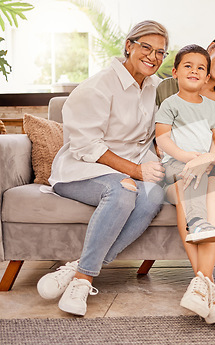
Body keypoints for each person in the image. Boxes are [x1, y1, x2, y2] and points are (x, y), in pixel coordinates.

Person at [36, 20, 169, 316]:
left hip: (131, 167)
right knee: (122, 192)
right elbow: (87, 147)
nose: (153, 56)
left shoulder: (156, 87)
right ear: (128, 46)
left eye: (160, 52)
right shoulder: (98, 86)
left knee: (154, 198)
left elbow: (187, 96)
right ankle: (83, 281)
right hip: (81, 169)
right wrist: (134, 172)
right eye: (145, 47)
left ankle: (75, 267)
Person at [155, 31, 215, 323]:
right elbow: (161, 137)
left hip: (207, 172)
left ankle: (202, 285)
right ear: (212, 49)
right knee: (189, 190)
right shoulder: (168, 88)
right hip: (173, 172)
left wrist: (206, 158)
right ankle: (209, 285)